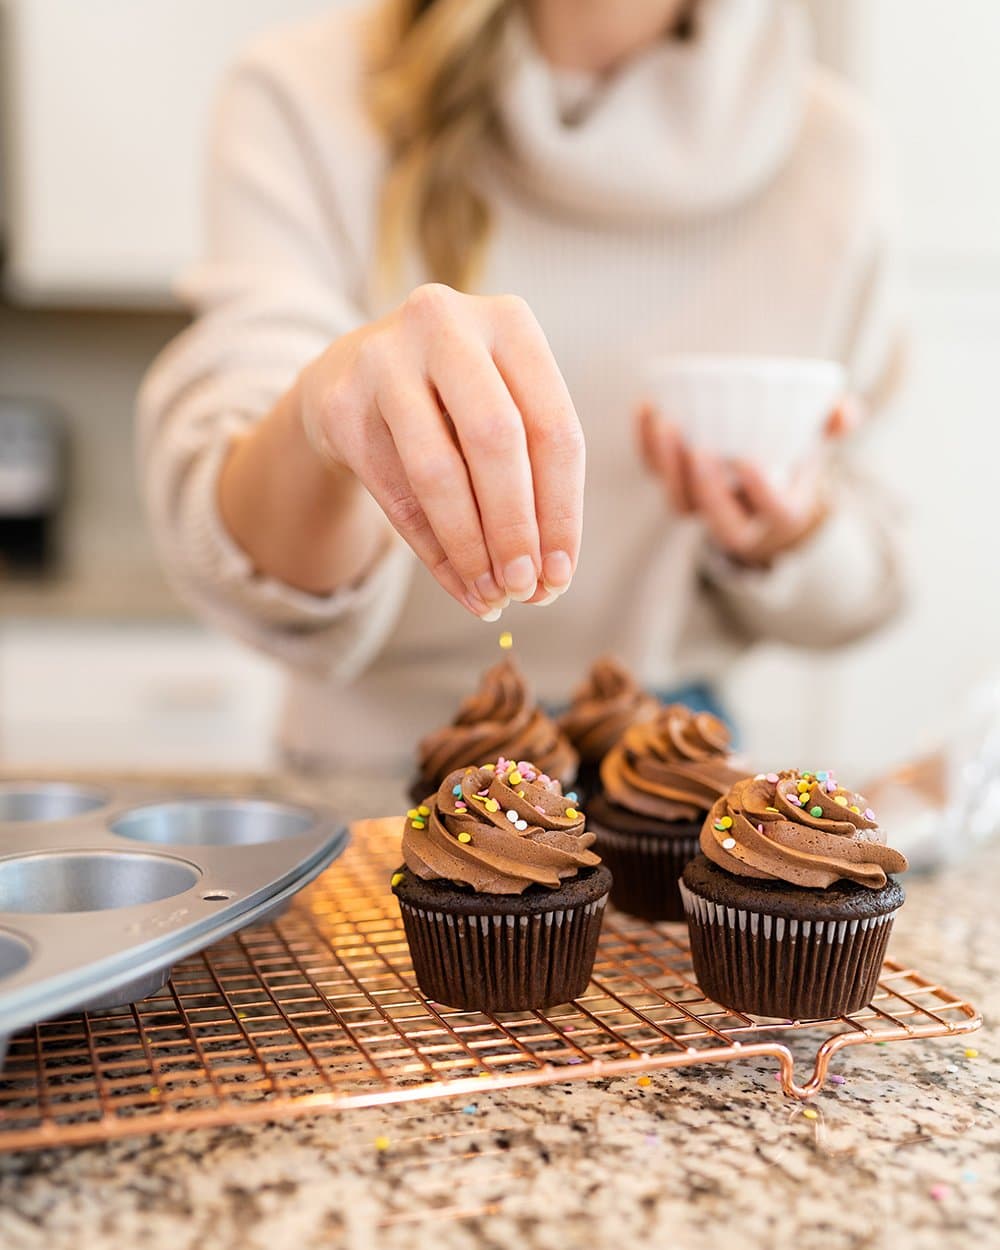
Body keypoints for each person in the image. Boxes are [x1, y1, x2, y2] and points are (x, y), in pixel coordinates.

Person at [138, 0, 905, 773]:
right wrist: (322, 418)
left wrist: (788, 534)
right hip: (368, 767)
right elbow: (238, 558)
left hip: (674, 765)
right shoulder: (306, 93)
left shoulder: (833, 152)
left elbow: (875, 578)